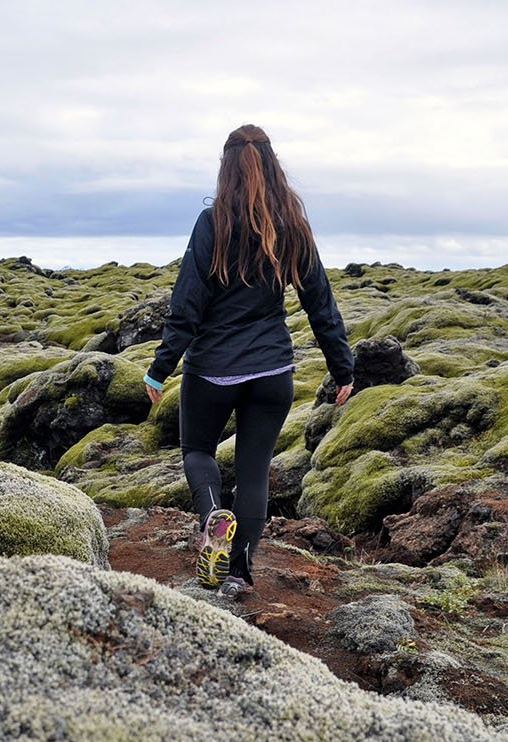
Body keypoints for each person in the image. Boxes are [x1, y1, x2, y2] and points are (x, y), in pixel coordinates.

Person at [143, 123, 354, 599]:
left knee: (197, 451)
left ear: (226, 168)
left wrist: (159, 368)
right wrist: (344, 369)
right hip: (272, 373)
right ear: (274, 166)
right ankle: (238, 573)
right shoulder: (292, 224)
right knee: (254, 468)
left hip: (212, 370)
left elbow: (187, 304)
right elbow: (320, 301)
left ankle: (214, 515)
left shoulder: (212, 222)